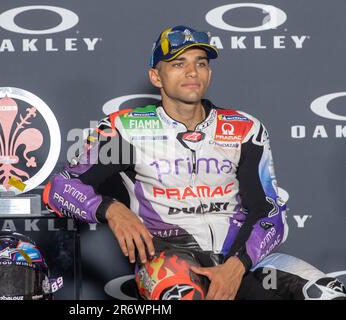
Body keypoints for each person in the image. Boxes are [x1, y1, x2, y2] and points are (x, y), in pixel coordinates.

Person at [43, 25, 346, 300]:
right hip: (170, 260)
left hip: (243, 261)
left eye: (200, 63)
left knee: (328, 294)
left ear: (209, 74)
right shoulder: (126, 128)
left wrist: (236, 266)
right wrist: (112, 209)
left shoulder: (244, 129)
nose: (192, 72)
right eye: (178, 64)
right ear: (156, 77)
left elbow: (270, 213)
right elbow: (58, 187)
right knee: (184, 297)